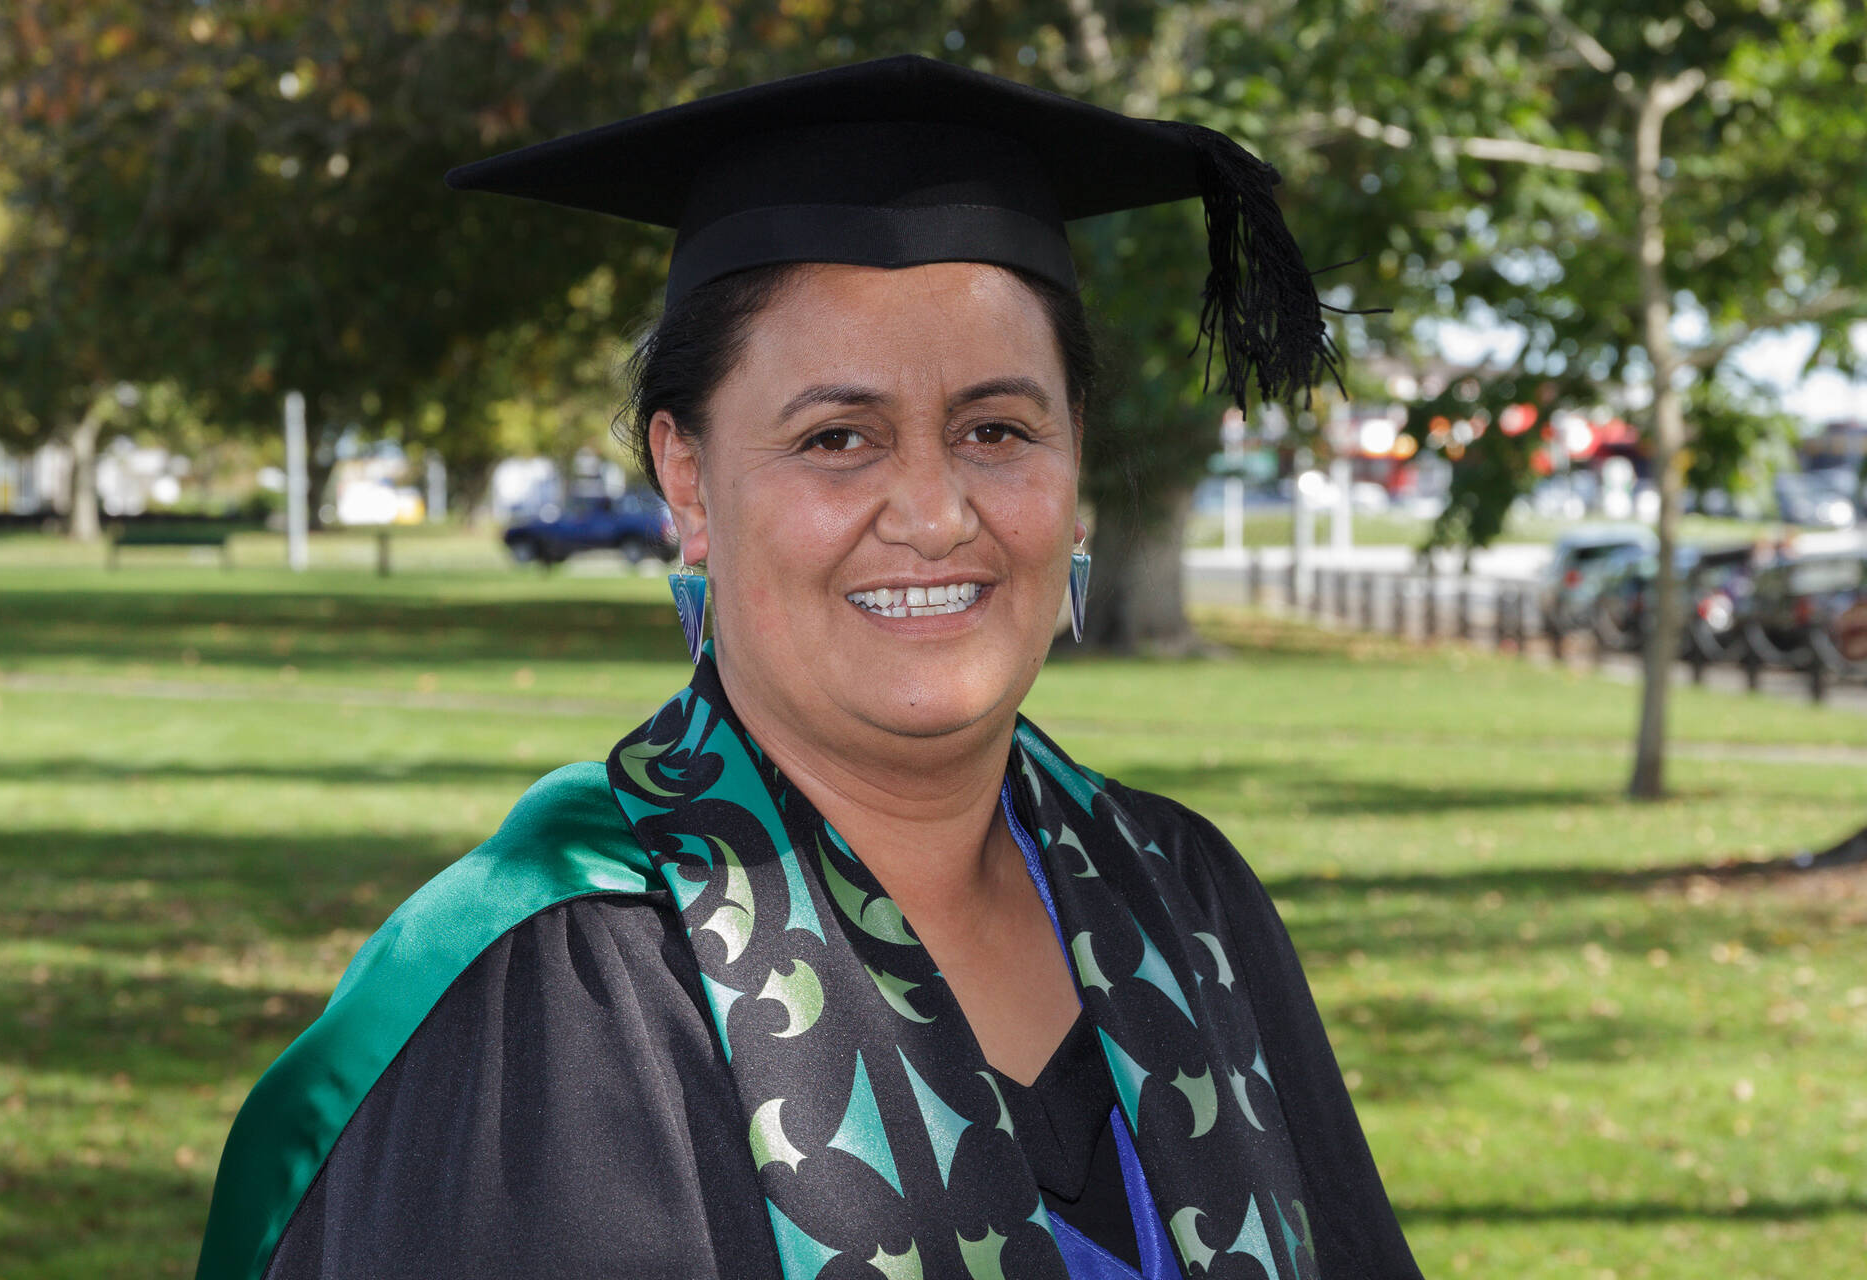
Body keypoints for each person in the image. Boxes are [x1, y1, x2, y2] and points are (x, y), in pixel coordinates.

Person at [196, 56, 1423, 1280]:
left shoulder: (1188, 900)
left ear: (1076, 461)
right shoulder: (557, 982)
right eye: (838, 438)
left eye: (997, 430)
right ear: (688, 480)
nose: (935, 513)